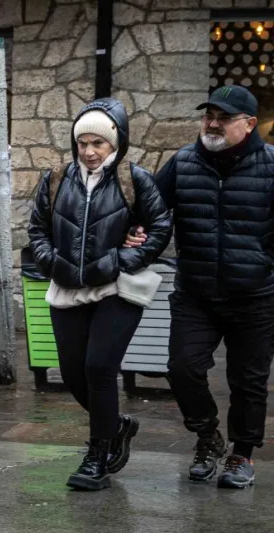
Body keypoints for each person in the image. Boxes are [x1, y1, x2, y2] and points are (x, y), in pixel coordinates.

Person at [128, 85, 274, 489]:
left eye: (223, 117)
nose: (212, 123)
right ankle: (208, 436)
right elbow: (150, 210)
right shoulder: (185, 162)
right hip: (195, 293)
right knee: (182, 368)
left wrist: (266, 268)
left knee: (249, 382)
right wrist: (135, 231)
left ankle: (241, 455)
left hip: (255, 296)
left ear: (248, 124)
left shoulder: (270, 166)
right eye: (208, 115)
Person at [27, 98, 171, 491]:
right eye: (82, 143)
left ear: (116, 144)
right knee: (74, 375)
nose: (89, 152)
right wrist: (51, 262)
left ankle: (97, 455)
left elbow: (159, 228)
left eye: (99, 144)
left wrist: (125, 259)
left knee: (99, 368)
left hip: (116, 288)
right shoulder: (56, 177)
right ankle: (117, 425)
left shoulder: (135, 179)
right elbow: (37, 229)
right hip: (67, 287)